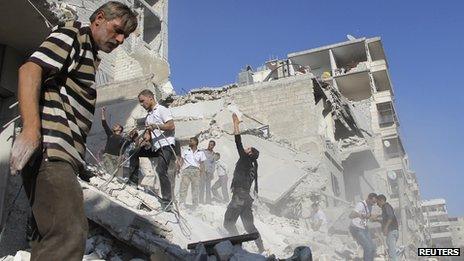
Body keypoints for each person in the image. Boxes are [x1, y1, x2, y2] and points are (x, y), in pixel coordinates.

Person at [9, 2, 137, 260]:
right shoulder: (74, 34)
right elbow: (30, 70)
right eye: (118, 30)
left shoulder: (90, 54)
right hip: (52, 152)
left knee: (48, 240)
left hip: (60, 156)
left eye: (126, 36)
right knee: (70, 234)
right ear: (99, 19)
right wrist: (31, 130)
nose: (121, 40)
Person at [223, 113, 264, 253]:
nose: (245, 149)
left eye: (248, 149)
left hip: (239, 197)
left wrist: (235, 124)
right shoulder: (253, 165)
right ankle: (261, 248)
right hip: (246, 199)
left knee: (228, 223)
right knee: (249, 226)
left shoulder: (246, 160)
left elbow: (237, 141)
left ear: (250, 154)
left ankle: (237, 246)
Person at [138, 89, 176, 208]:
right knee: (136, 152)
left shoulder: (162, 110)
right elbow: (148, 135)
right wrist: (144, 138)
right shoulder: (148, 117)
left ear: (150, 98)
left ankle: (167, 200)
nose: (141, 104)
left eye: (142, 101)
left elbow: (171, 125)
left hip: (166, 145)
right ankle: (132, 181)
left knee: (161, 170)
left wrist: (156, 126)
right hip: (156, 147)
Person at [349, 193, 378, 261]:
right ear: (368, 199)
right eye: (373, 202)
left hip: (364, 227)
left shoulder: (370, 206)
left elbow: (367, 217)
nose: (374, 204)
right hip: (356, 228)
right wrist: (363, 215)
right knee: (368, 247)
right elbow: (351, 215)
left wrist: (373, 218)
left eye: (375, 202)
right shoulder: (361, 204)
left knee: (373, 248)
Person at [178, 137, 206, 208]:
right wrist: (178, 169)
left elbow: (202, 164)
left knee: (195, 188)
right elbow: (181, 161)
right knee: (183, 187)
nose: (189, 142)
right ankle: (182, 203)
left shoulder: (201, 152)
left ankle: (195, 204)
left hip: (196, 171)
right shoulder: (185, 151)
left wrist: (202, 174)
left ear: (195, 142)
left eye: (191, 141)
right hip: (186, 170)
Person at [101, 106, 125, 174]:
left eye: (116, 126)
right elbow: (104, 124)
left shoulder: (122, 139)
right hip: (108, 156)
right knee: (109, 173)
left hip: (117, 158)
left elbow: (123, 148)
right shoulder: (110, 134)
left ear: (120, 129)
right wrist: (103, 112)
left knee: (117, 175)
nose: (114, 126)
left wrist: (122, 157)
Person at [376, 194, 399, 261]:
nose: (377, 204)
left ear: (381, 200)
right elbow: (385, 220)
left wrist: (386, 228)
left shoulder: (386, 206)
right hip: (392, 232)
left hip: (391, 231)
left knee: (392, 254)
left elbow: (391, 216)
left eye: (378, 202)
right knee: (392, 252)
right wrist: (377, 219)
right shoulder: (385, 209)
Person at [200, 140, 216, 204]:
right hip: (203, 172)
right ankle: (201, 201)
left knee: (208, 187)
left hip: (209, 173)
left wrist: (212, 172)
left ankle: (208, 201)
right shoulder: (203, 151)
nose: (210, 146)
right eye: (209, 144)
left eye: (211, 145)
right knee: (202, 186)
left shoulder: (213, 154)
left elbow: (213, 164)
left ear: (214, 146)